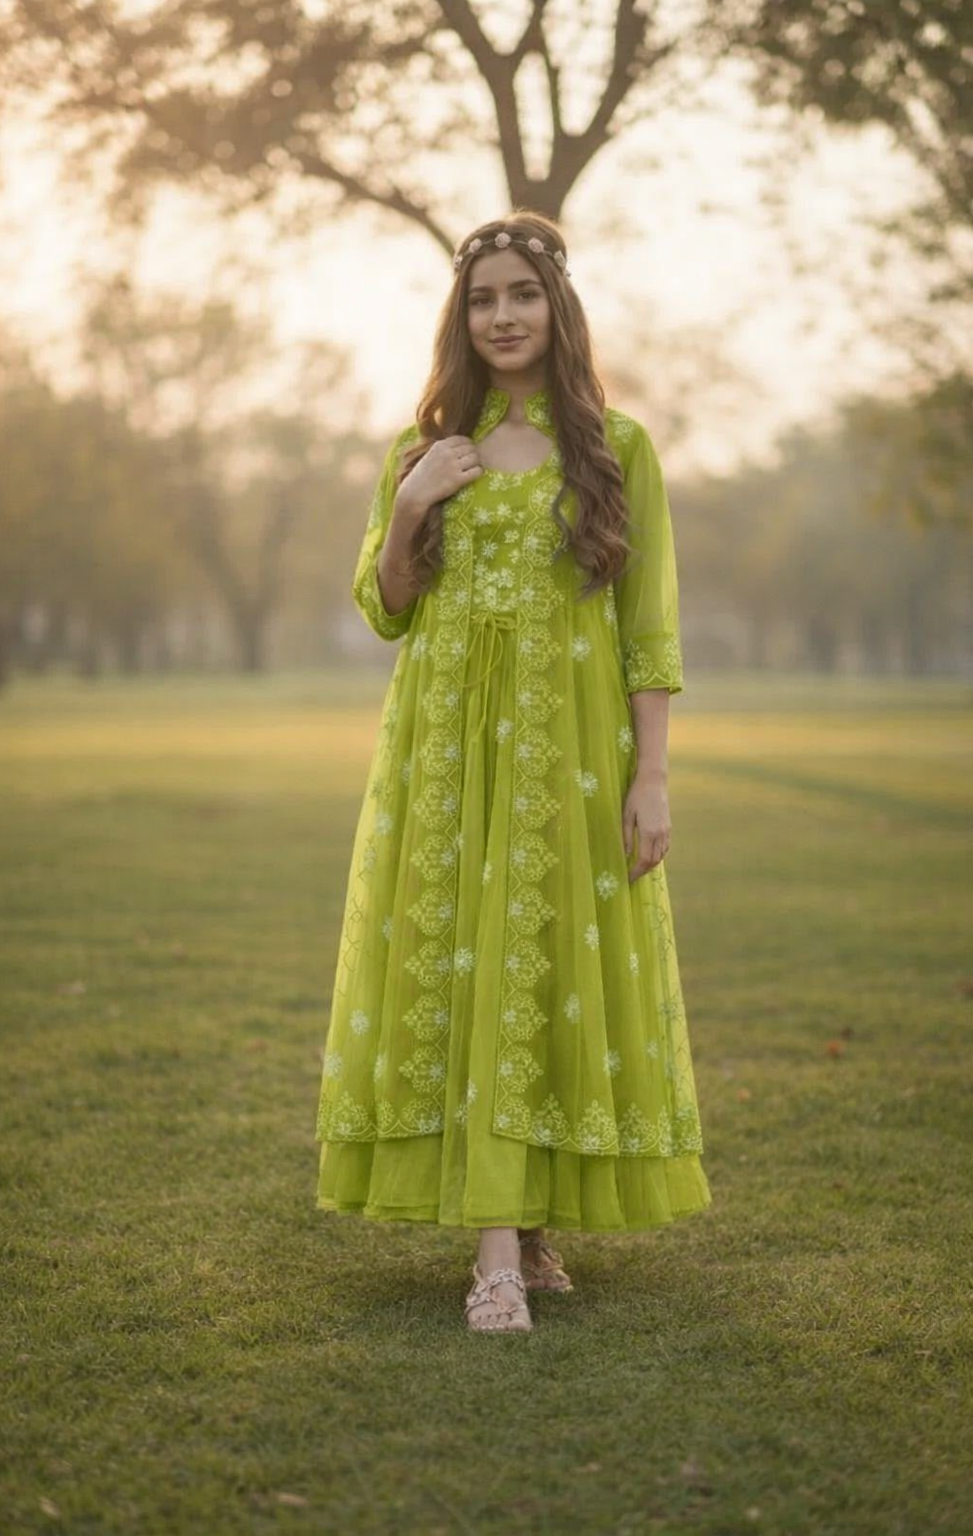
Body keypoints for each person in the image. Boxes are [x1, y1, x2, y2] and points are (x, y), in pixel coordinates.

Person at [315, 210, 712, 1333]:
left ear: (556, 309)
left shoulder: (616, 447)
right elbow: (386, 607)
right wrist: (408, 506)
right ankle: (494, 1255)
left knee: (542, 960)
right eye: (483, 299)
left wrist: (653, 775)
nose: (501, 317)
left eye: (521, 296)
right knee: (466, 955)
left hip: (571, 751)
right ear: (462, 316)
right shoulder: (423, 448)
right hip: (444, 749)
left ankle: (530, 1224)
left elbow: (650, 626)